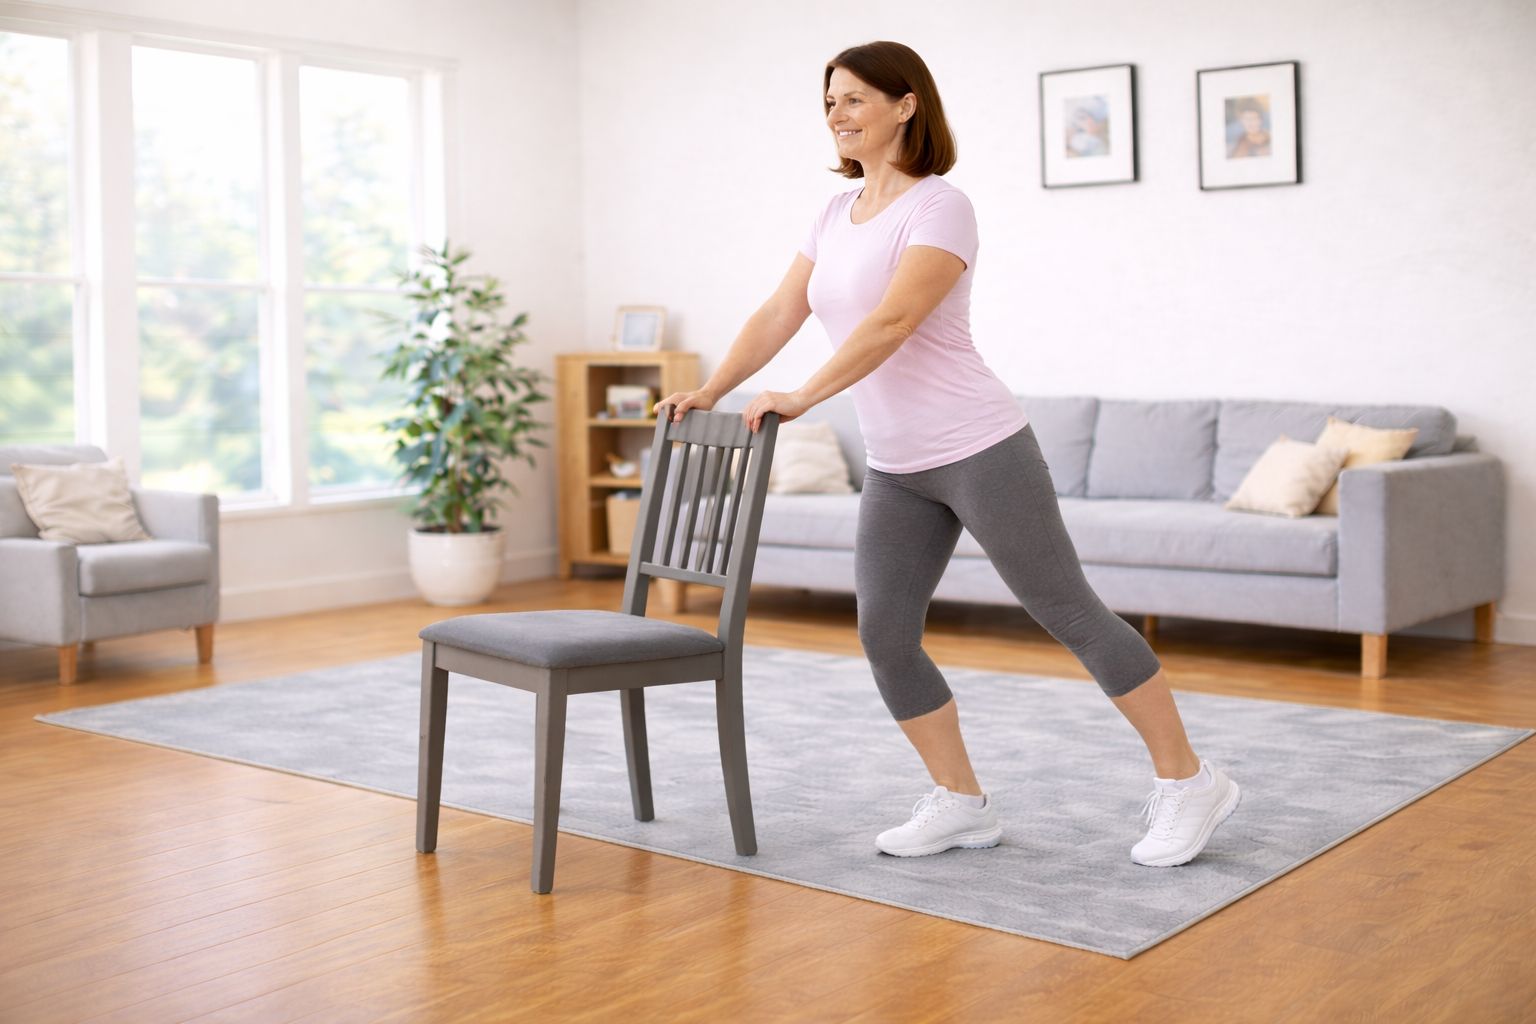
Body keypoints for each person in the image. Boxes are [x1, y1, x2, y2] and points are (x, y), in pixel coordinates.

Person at [655, 40, 1240, 867]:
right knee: (885, 633)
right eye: (829, 102)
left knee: (1068, 612)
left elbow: (892, 324)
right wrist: (713, 386)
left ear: (906, 106)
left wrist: (800, 395)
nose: (837, 114)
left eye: (856, 98)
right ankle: (962, 802)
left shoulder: (941, 208)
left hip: (979, 445)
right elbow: (781, 310)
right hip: (898, 466)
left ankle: (1191, 782)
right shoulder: (831, 215)